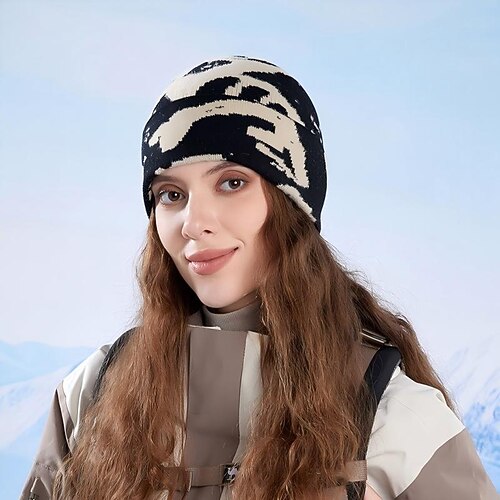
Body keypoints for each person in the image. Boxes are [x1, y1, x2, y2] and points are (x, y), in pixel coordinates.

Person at [21, 56, 496, 500]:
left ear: (293, 205)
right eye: (170, 194)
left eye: (231, 183)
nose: (193, 222)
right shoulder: (92, 395)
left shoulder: (396, 419)